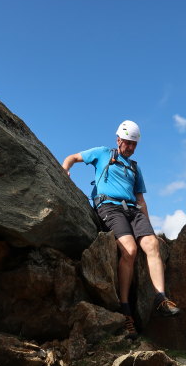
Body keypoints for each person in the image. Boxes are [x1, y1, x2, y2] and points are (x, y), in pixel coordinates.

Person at [62, 120, 180, 338]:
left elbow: (141, 200)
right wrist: (65, 169)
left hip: (132, 210)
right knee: (130, 249)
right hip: (108, 206)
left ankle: (160, 298)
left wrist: (151, 229)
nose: (131, 148)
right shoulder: (102, 153)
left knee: (151, 244)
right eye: (127, 143)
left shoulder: (135, 167)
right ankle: (126, 310)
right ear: (118, 140)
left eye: (134, 144)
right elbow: (73, 157)